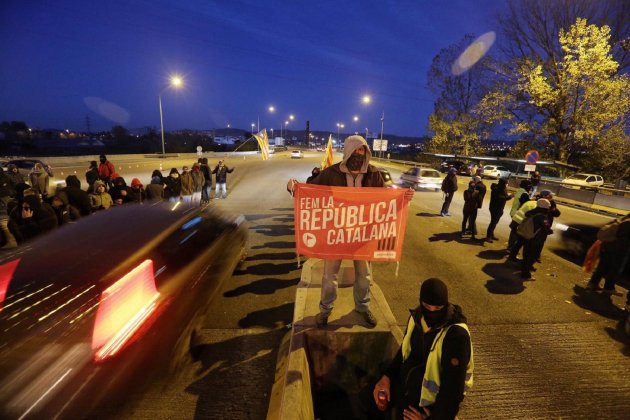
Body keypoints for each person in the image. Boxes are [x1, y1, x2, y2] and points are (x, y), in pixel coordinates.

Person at [287, 135, 387, 328]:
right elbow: (310, 189)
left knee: (364, 275)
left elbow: (386, 198)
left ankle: (363, 308)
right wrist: (294, 187)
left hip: (362, 235)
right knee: (329, 275)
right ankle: (325, 310)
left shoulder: (374, 174)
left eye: (362, 150)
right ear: (348, 151)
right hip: (336, 234)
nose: (359, 154)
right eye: (356, 150)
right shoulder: (331, 173)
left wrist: (403, 197)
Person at [363, 278, 473, 419]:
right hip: (408, 385)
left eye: (438, 308)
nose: (432, 312)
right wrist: (387, 377)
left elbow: (453, 391)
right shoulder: (416, 318)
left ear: (445, 305)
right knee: (368, 399)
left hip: (429, 403)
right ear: (421, 302)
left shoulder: (456, 336)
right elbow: (404, 351)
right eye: (427, 307)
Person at [585, 214, 630, 296]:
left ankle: (592, 284)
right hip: (618, 249)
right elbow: (623, 238)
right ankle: (608, 288)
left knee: (603, 266)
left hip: (607, 246)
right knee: (615, 269)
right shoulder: (628, 223)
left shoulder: (622, 219)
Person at [520, 198, 552, 279]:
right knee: (532, 256)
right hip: (536, 239)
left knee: (526, 254)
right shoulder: (542, 216)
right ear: (545, 207)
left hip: (528, 236)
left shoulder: (532, 212)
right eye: (547, 207)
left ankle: (523, 269)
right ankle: (526, 274)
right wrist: (550, 231)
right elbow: (546, 228)